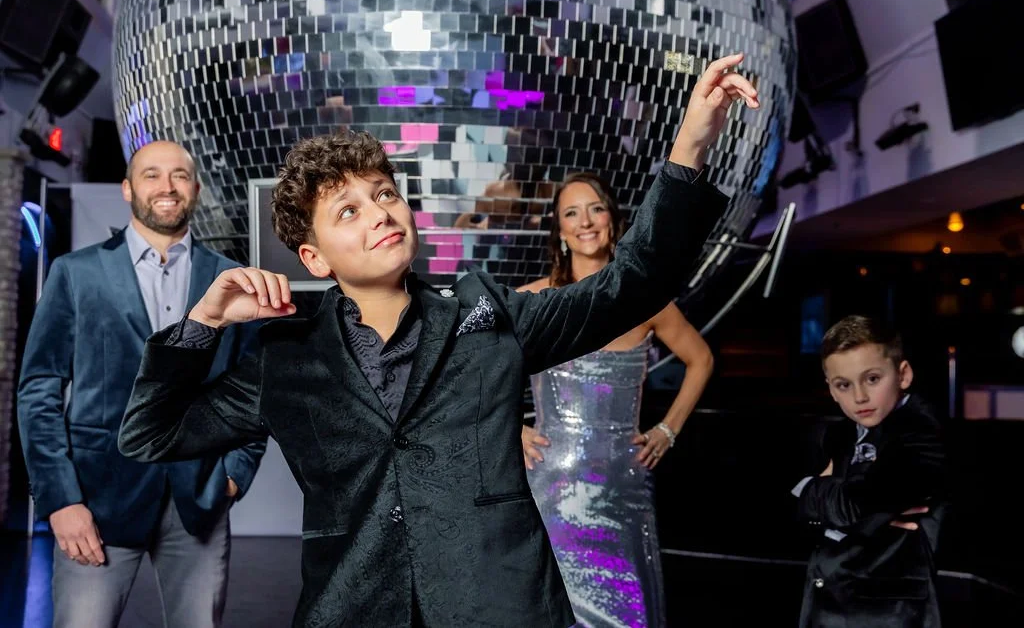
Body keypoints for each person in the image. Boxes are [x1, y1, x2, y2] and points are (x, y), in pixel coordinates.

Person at [118, 54, 760, 627]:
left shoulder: (489, 316)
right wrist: (200, 324)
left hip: (499, 604)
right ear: (314, 258)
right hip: (353, 607)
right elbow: (149, 434)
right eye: (349, 210)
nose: (380, 213)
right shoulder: (285, 361)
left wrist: (691, 143)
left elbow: (632, 287)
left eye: (385, 194)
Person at [17, 141, 267, 628]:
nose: (167, 186)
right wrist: (60, 499)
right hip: (96, 501)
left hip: (201, 499)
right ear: (128, 189)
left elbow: (253, 391)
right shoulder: (75, 273)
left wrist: (235, 474)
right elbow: (39, 389)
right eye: (152, 175)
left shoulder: (232, 279)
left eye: (179, 175)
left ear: (195, 189)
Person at [517, 171, 714, 627]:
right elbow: (472, 366)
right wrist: (510, 426)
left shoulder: (647, 302)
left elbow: (701, 359)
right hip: (552, 490)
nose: (585, 221)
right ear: (560, 231)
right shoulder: (534, 300)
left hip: (624, 488)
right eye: (571, 212)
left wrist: (669, 428)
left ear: (613, 220)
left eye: (596, 208)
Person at [792, 315, 947, 628]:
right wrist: (826, 503)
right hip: (829, 602)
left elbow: (855, 505)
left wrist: (809, 489)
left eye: (872, 379)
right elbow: (798, 517)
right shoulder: (839, 434)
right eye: (844, 385)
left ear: (903, 375)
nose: (859, 397)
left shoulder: (922, 432)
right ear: (831, 390)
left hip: (886, 612)